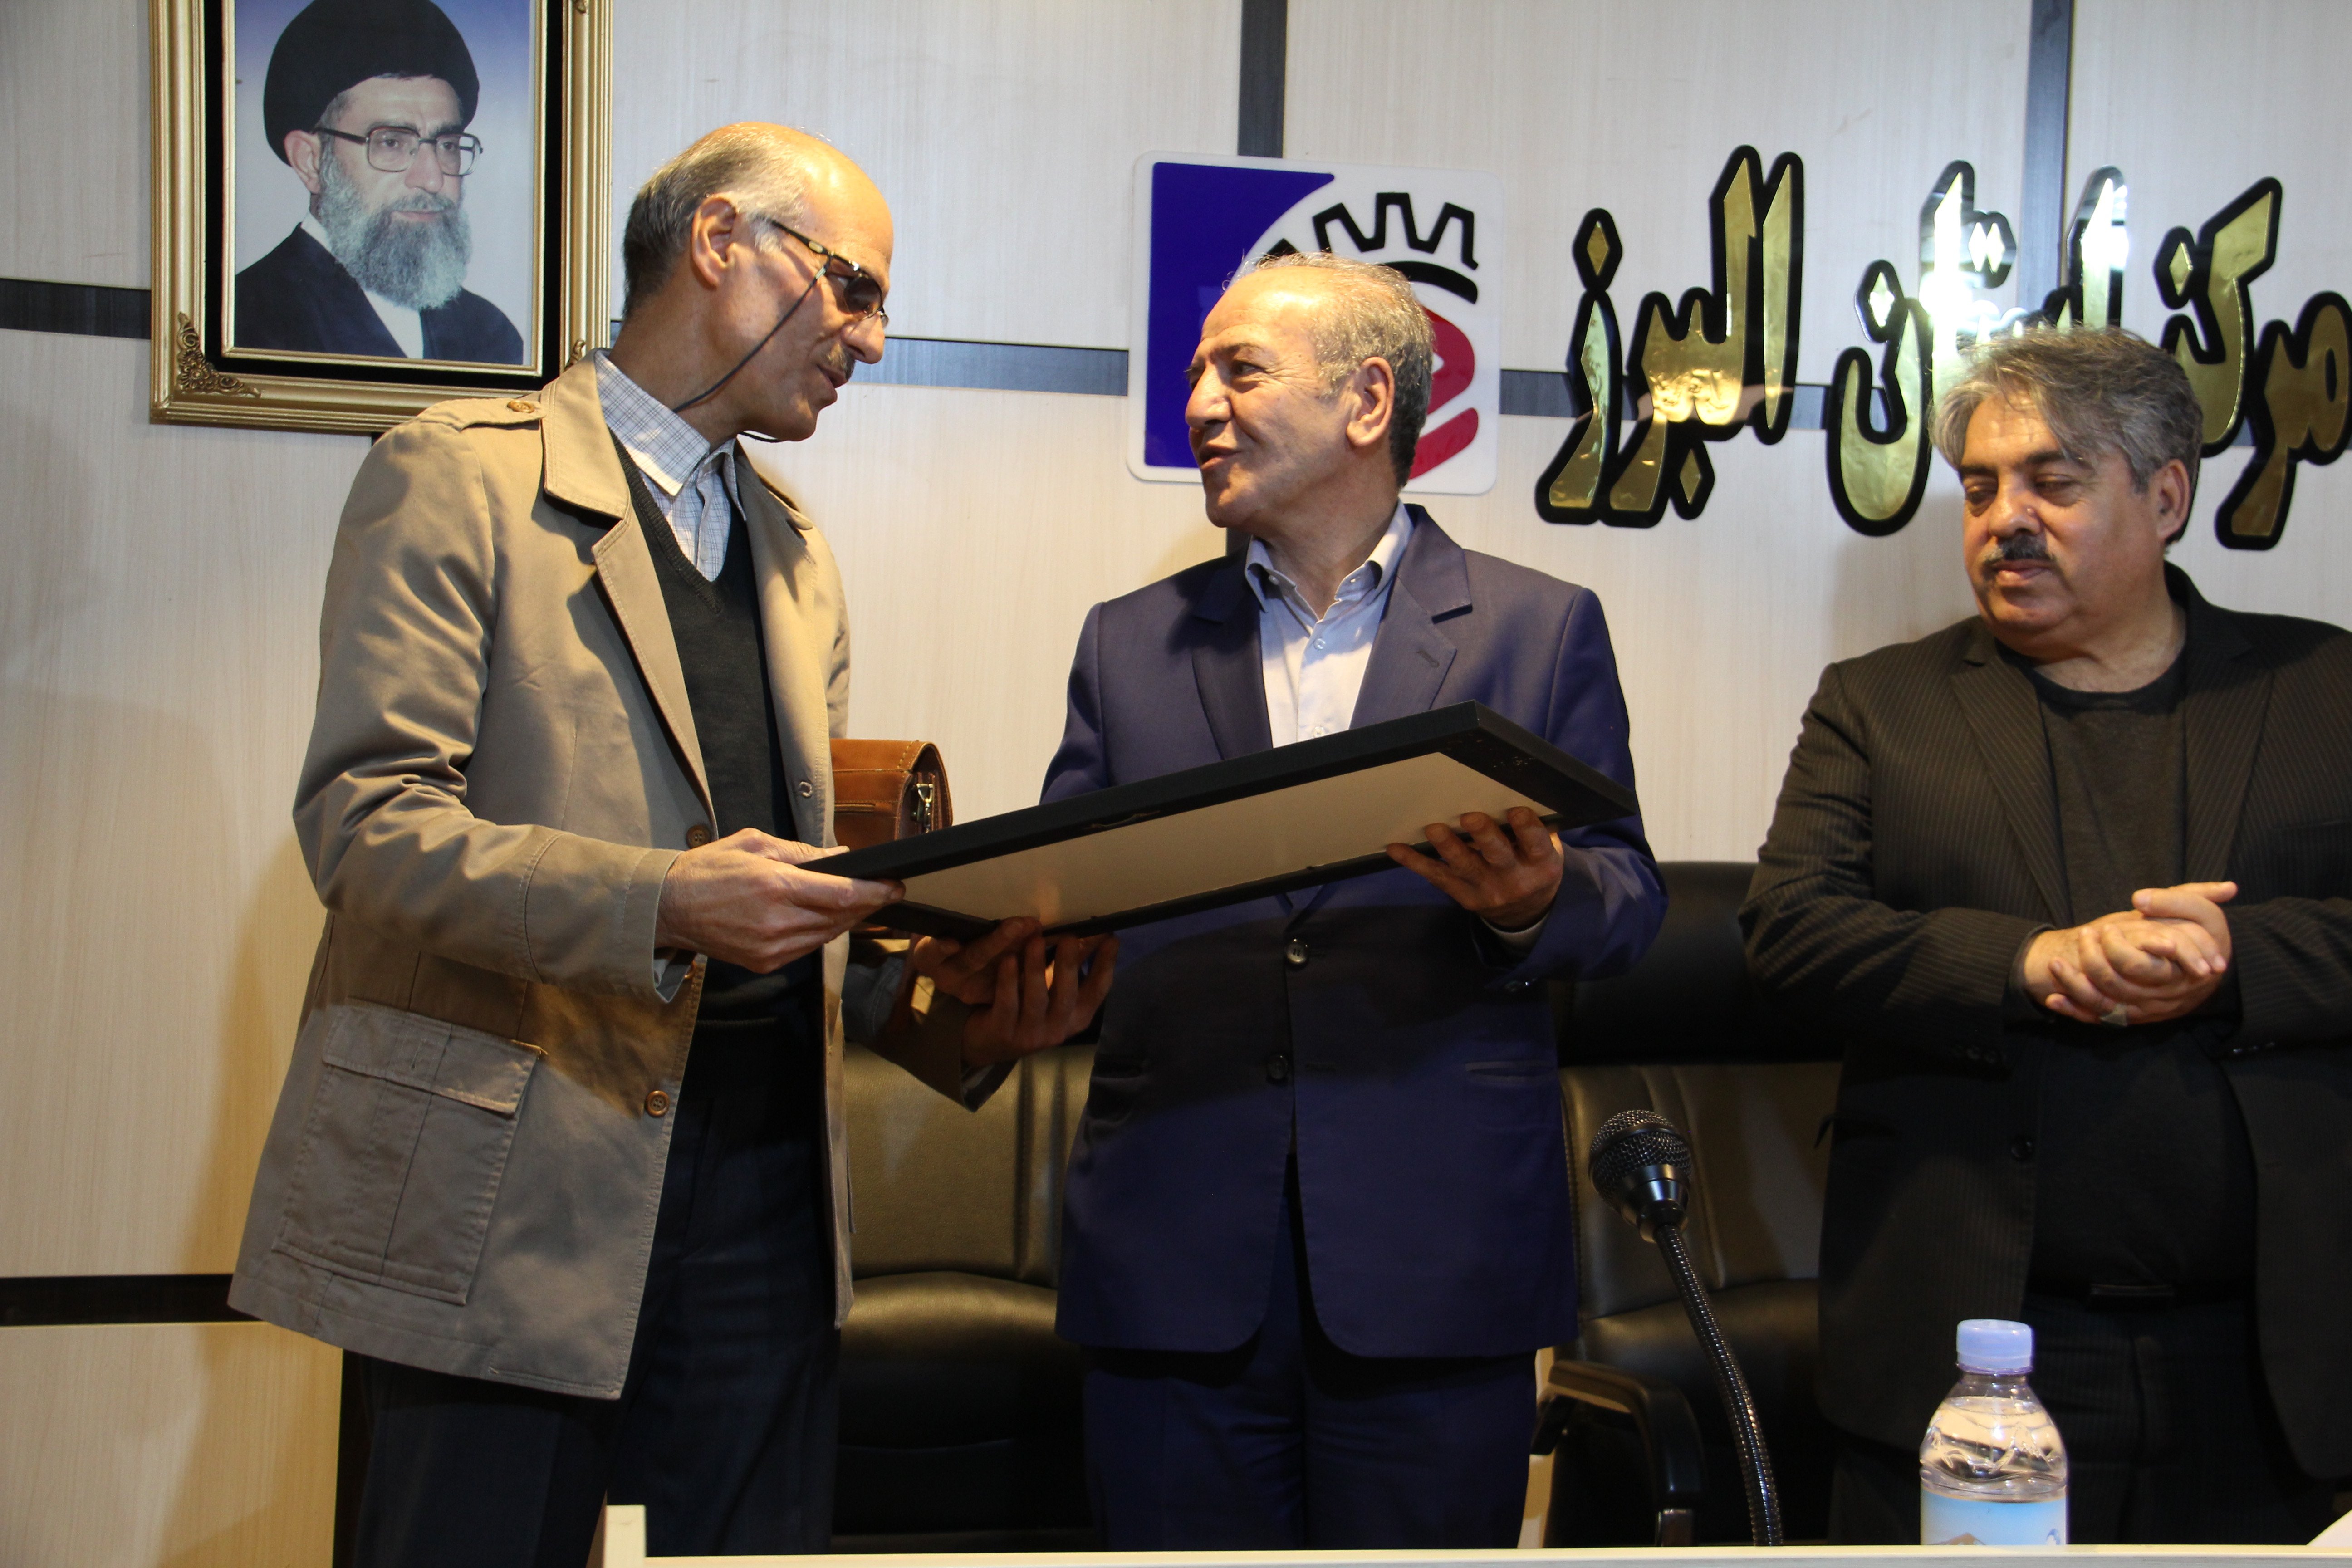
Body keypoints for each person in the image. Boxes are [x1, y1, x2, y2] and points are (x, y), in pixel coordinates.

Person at [227, 123, 1113, 1568]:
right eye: (853, 288)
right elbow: (369, 829)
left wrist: (965, 1023)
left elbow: (787, 913)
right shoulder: (455, 479)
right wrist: (664, 903)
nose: (872, 339)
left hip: (766, 1212)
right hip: (505, 1198)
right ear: (718, 243)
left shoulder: (795, 551)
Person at [1038, 252, 1665, 1548]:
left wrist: (1532, 899)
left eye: (1239, 371)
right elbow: (1068, 902)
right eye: (1195, 374)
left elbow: (1628, 898)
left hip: (1435, 1264)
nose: (1198, 405)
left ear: (1368, 402)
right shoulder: (1126, 641)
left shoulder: (1537, 628)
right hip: (1174, 1256)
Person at [1744, 328, 2352, 1543]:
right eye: (1980, 488)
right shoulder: (1884, 704)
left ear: (2165, 496)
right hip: (1969, 1361)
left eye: (2052, 482)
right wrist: (2027, 962)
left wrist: (2238, 960)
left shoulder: (2321, 689)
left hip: (2273, 1366)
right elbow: (1790, 934)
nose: (2004, 520)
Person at [235, 0, 525, 363]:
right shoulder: (245, 321)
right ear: (311, 162)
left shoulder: (488, 333)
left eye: (447, 145)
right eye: (391, 143)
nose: (433, 179)